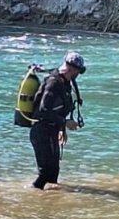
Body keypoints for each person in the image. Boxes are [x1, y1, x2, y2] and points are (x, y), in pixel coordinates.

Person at [29, 51, 85, 190]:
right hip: (41, 131)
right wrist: (65, 123)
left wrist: (61, 129)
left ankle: (49, 203)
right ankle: (31, 195)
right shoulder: (53, 83)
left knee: (53, 174)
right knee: (45, 173)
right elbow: (43, 110)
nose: (78, 75)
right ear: (71, 69)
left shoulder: (66, 83)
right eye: (78, 71)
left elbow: (58, 109)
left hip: (52, 130)